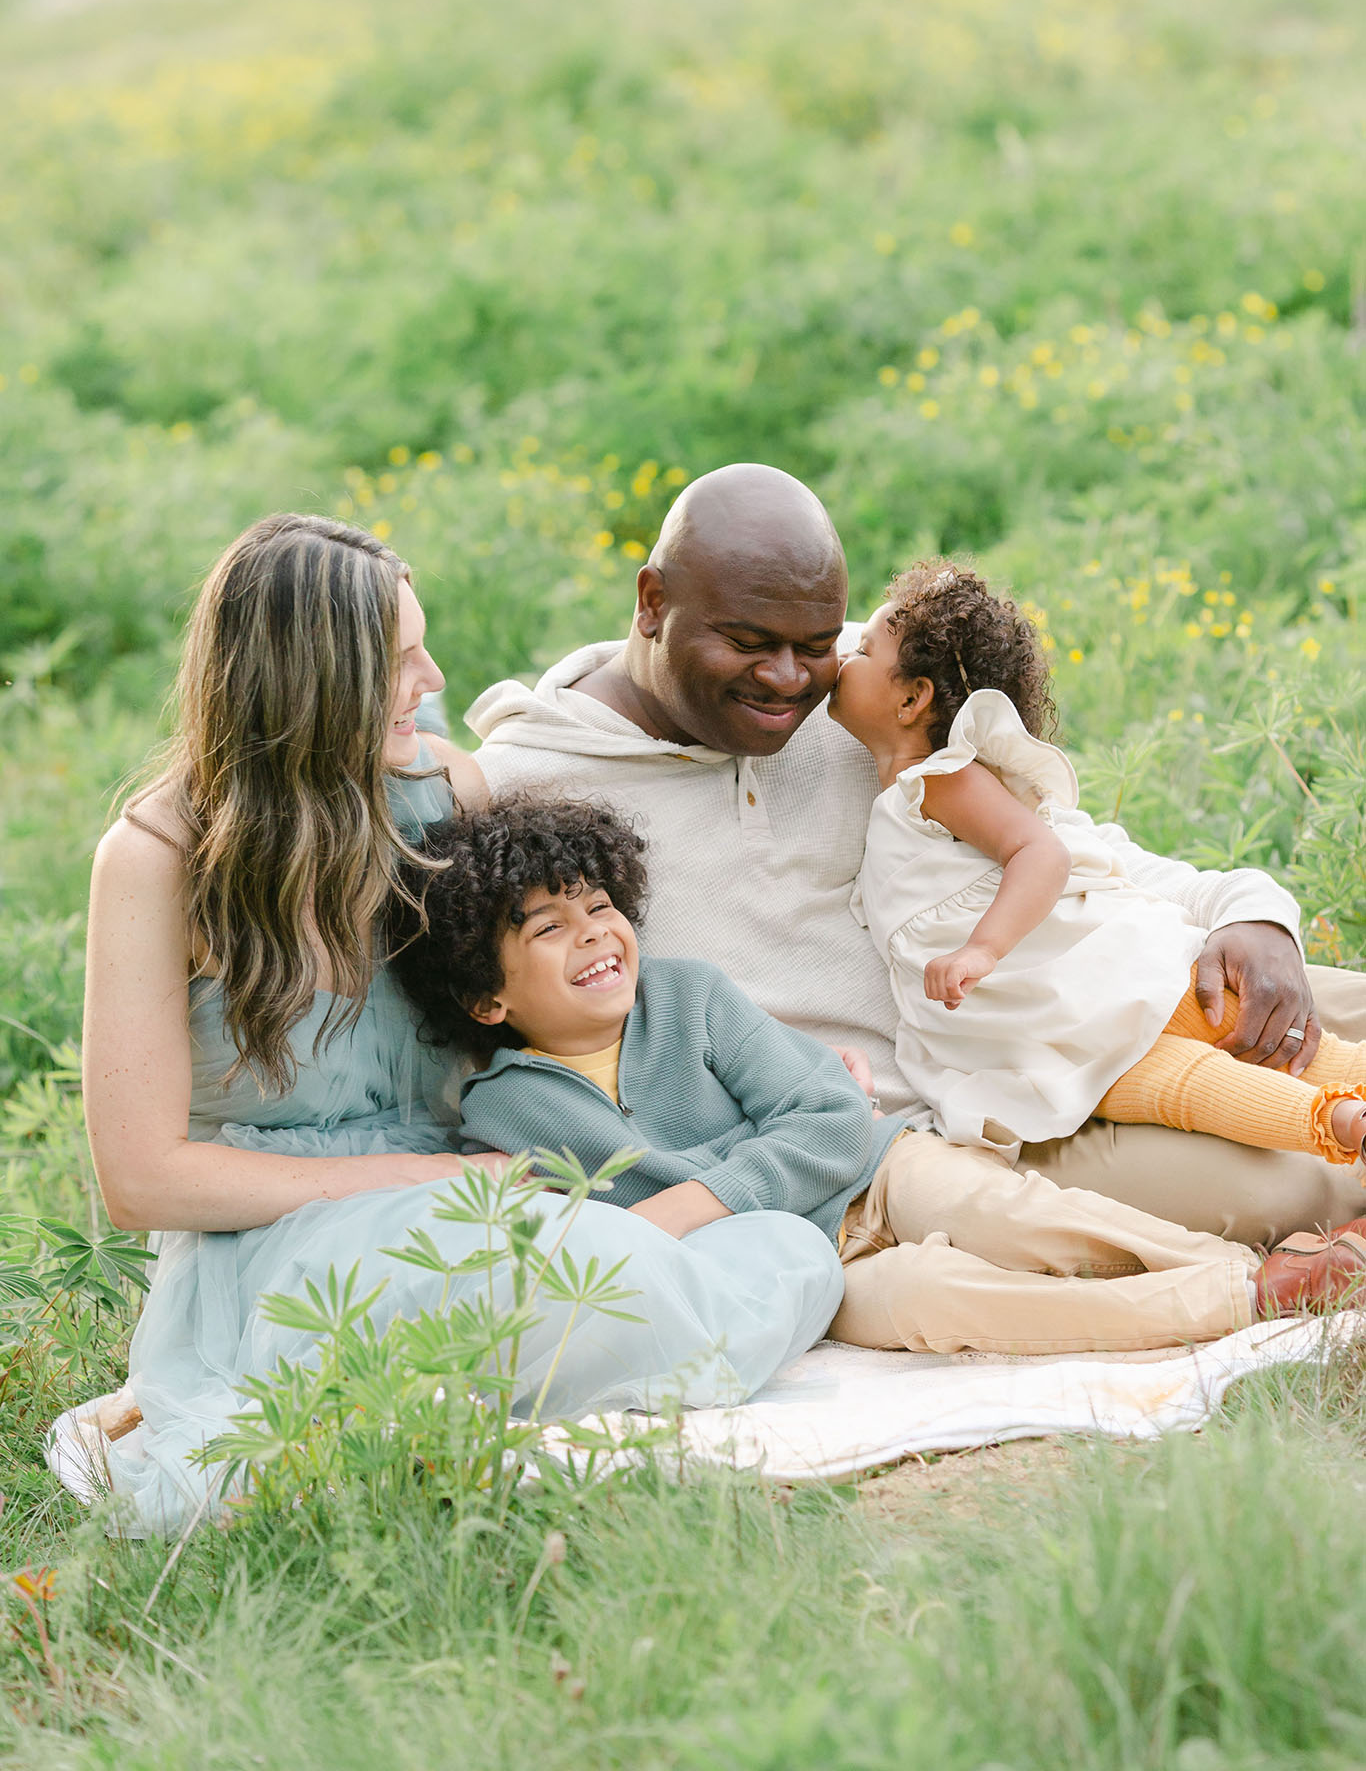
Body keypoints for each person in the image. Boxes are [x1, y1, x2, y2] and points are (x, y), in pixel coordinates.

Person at [82, 514, 841, 1535]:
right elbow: (141, 1180)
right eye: (400, 659)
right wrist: (417, 1177)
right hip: (277, 1238)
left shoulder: (446, 794)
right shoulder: (158, 857)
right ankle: (321, 1404)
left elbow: (539, 995)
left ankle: (431, 1395)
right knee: (593, 1294)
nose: (431, 676)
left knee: (772, 1253)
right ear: (314, 678)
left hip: (474, 1193)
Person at [469, 463, 1366, 1248]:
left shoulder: (865, 695)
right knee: (1286, 1178)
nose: (789, 680)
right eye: (748, 645)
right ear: (653, 602)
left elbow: (1063, 849)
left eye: (817, 645)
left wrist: (1252, 907)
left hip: (1092, 979)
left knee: (1331, 1002)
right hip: (969, 1116)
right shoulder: (527, 786)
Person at [389, 795, 1366, 1354]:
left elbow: (819, 1113)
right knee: (943, 1302)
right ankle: (1251, 1294)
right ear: (485, 997)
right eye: (549, 928)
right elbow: (587, 1241)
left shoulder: (688, 996)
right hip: (812, 1262)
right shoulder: (503, 1111)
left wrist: (698, 1197)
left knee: (1026, 1223)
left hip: (880, 1164)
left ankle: (1265, 1261)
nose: (594, 934)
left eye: (599, 905)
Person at [827, 561, 1366, 1173]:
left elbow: (1041, 852)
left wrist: (981, 949)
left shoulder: (937, 777)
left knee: (1259, 1050)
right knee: (1179, 1090)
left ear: (911, 698)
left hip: (1108, 981)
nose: (844, 657)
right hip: (1063, 1039)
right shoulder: (905, 794)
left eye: (862, 649)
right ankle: (1335, 1123)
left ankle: (1343, 1101)